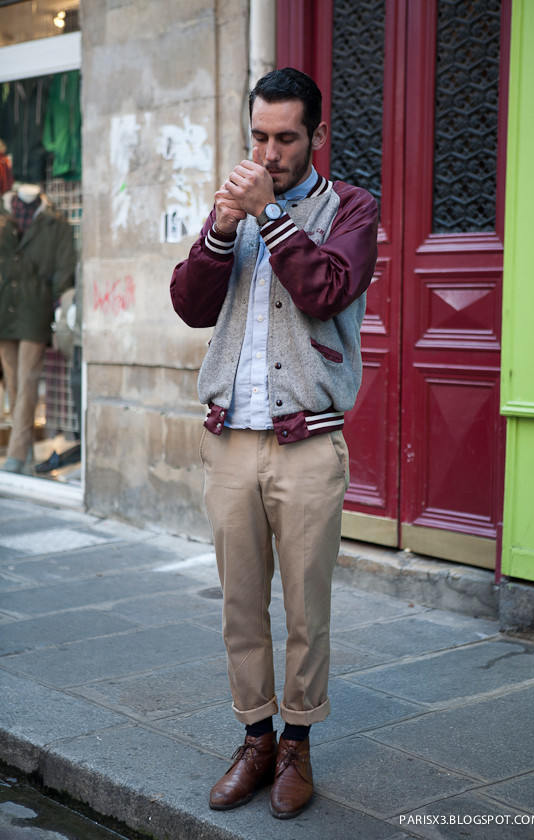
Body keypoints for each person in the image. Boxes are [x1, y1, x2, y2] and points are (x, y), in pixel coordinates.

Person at [170, 67, 378, 819]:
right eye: (259, 136)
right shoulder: (235, 206)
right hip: (230, 440)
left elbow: (326, 290)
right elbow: (191, 305)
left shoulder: (352, 208)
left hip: (309, 444)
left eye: (286, 137)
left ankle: (298, 746)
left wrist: (271, 218)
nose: (269, 152)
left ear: (317, 135)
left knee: (307, 610)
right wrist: (223, 229)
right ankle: (255, 739)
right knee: (239, 606)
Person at [0, 184, 75, 473]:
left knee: (28, 381)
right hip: (4, 307)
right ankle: (27, 450)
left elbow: (64, 267)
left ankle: (17, 454)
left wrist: (60, 306)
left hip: (35, 307)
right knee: (13, 381)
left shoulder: (54, 221)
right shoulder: (4, 213)